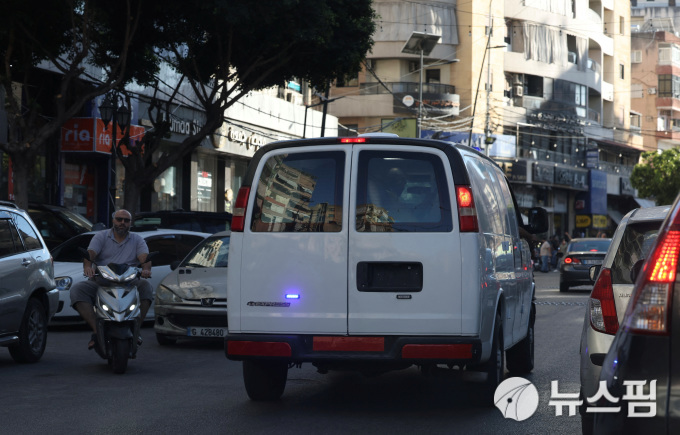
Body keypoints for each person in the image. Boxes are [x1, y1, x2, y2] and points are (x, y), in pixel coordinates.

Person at [70, 209, 153, 350]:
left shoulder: (137, 239)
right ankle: (96, 331)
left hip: (129, 282)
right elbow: (90, 254)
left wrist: (146, 269)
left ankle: (137, 330)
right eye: (119, 219)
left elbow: (144, 257)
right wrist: (88, 266)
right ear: (113, 221)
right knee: (78, 290)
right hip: (103, 282)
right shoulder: (101, 237)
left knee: (146, 287)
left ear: (130, 223)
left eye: (126, 221)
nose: (122, 223)